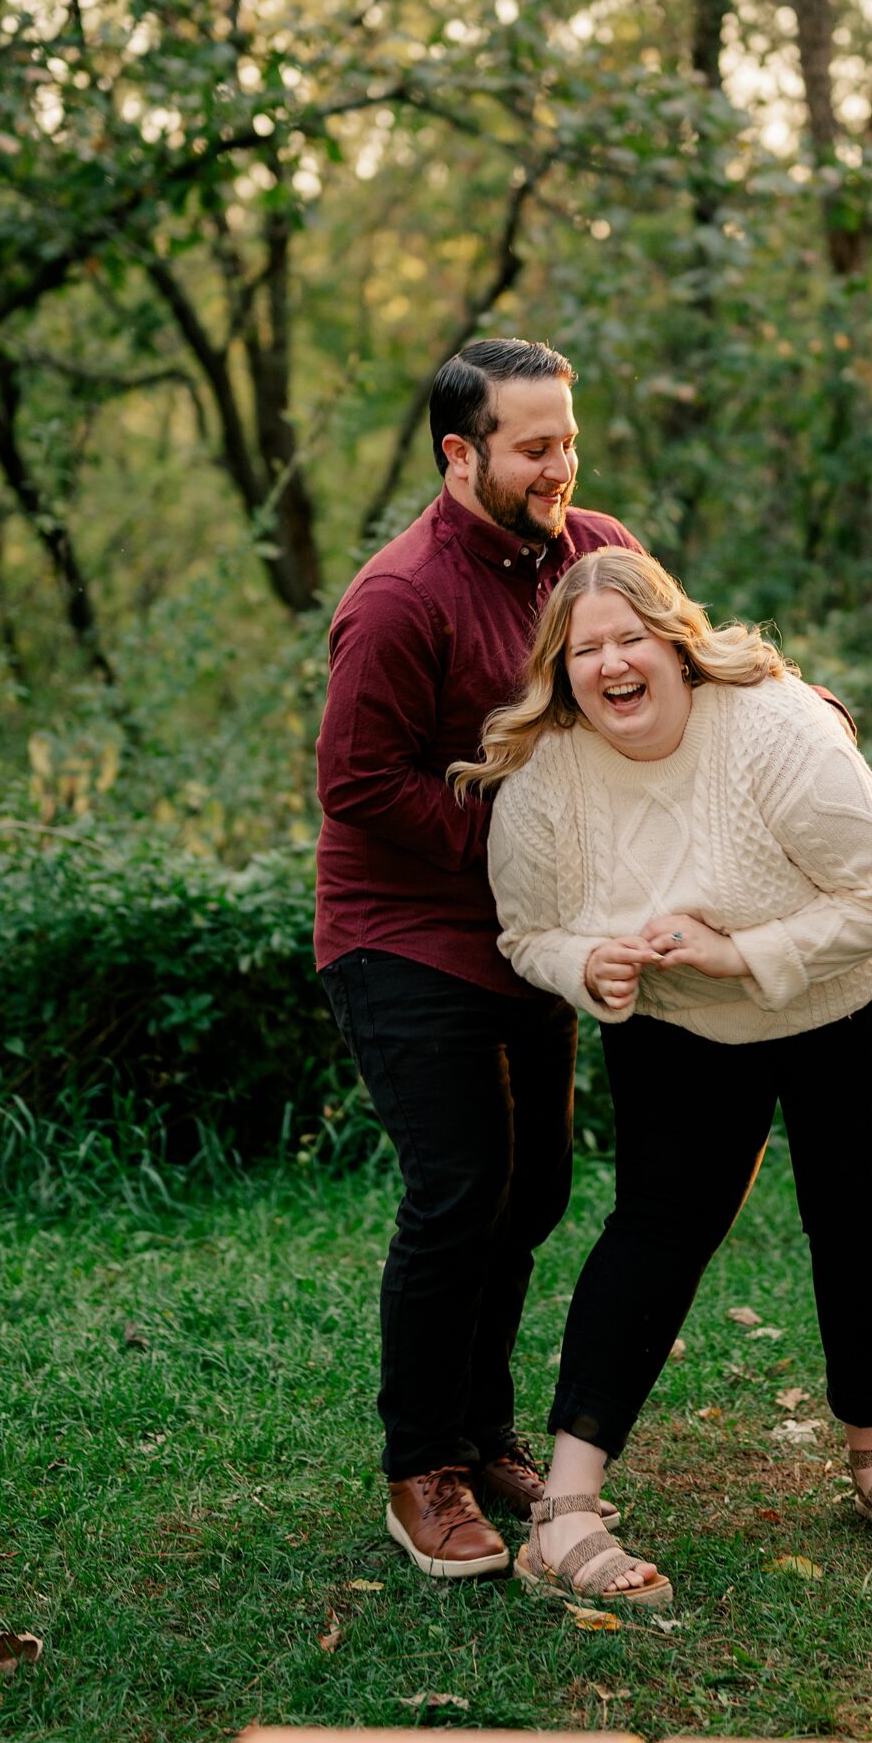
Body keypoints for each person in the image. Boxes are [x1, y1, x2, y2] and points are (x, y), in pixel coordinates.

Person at [453, 548, 872, 1607]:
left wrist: (733, 953)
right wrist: (584, 965)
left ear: (677, 645)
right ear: (562, 671)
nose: (612, 662)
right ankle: (567, 1509)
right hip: (682, 1021)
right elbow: (528, 930)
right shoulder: (545, 775)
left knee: (862, 1218)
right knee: (656, 1225)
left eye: (630, 637)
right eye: (586, 649)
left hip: (860, 988)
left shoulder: (774, 726)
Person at [315, 337, 642, 1581]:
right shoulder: (398, 598)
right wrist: (509, 841)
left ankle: (481, 1430)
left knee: (537, 1187)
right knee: (459, 1192)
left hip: (528, 940)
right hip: (402, 933)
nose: (563, 465)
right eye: (534, 446)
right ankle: (420, 1471)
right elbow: (355, 782)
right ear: (463, 455)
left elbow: (672, 661)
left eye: (568, 439)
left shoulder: (591, 553)